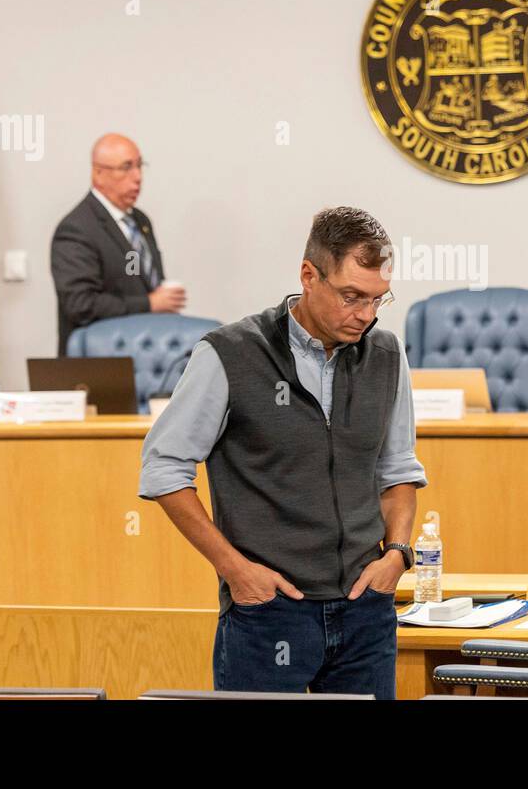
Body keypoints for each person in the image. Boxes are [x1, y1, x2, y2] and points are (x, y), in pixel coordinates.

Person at [137, 206, 426, 698]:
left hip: (366, 610)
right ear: (308, 275)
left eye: (379, 299)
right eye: (351, 296)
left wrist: (398, 554)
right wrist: (235, 571)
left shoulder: (385, 353)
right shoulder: (229, 353)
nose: (366, 315)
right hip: (268, 611)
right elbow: (163, 467)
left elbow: (396, 468)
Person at [50, 133, 186, 354]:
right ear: (98, 173)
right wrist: (149, 303)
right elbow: (80, 304)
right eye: (127, 167)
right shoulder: (77, 229)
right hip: (100, 360)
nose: (138, 176)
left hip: (144, 351)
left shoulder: (140, 221)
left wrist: (160, 299)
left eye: (140, 166)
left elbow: (132, 276)